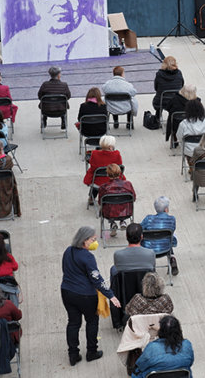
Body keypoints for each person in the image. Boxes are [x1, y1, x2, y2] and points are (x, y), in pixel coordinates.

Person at [61, 226, 121, 365]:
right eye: (93, 240)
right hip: (86, 296)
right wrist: (111, 296)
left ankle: (73, 354)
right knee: (92, 322)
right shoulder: (88, 257)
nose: (95, 242)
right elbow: (97, 279)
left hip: (67, 292)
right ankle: (91, 351)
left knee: (73, 323)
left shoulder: (68, 251)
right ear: (85, 241)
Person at [140, 196, 179, 275]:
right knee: (169, 237)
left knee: (152, 237)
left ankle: (151, 268)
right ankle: (172, 258)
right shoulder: (172, 219)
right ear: (166, 209)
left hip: (149, 250)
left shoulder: (148, 219)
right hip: (165, 248)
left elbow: (140, 228)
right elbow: (173, 229)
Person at [98, 163, 136, 237]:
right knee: (119, 204)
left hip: (109, 214)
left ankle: (112, 223)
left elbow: (100, 202)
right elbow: (133, 198)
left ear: (107, 174)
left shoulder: (103, 187)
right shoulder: (128, 184)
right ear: (120, 172)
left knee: (110, 206)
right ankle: (122, 221)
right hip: (126, 213)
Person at [83, 135, 124, 199]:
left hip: (98, 181)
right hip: (113, 180)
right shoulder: (117, 154)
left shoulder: (94, 153)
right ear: (110, 147)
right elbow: (119, 166)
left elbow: (93, 168)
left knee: (95, 178)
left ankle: (91, 197)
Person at [176, 99, 205, 164]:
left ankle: (191, 164)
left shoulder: (183, 124)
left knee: (184, 145)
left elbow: (179, 137)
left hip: (189, 151)